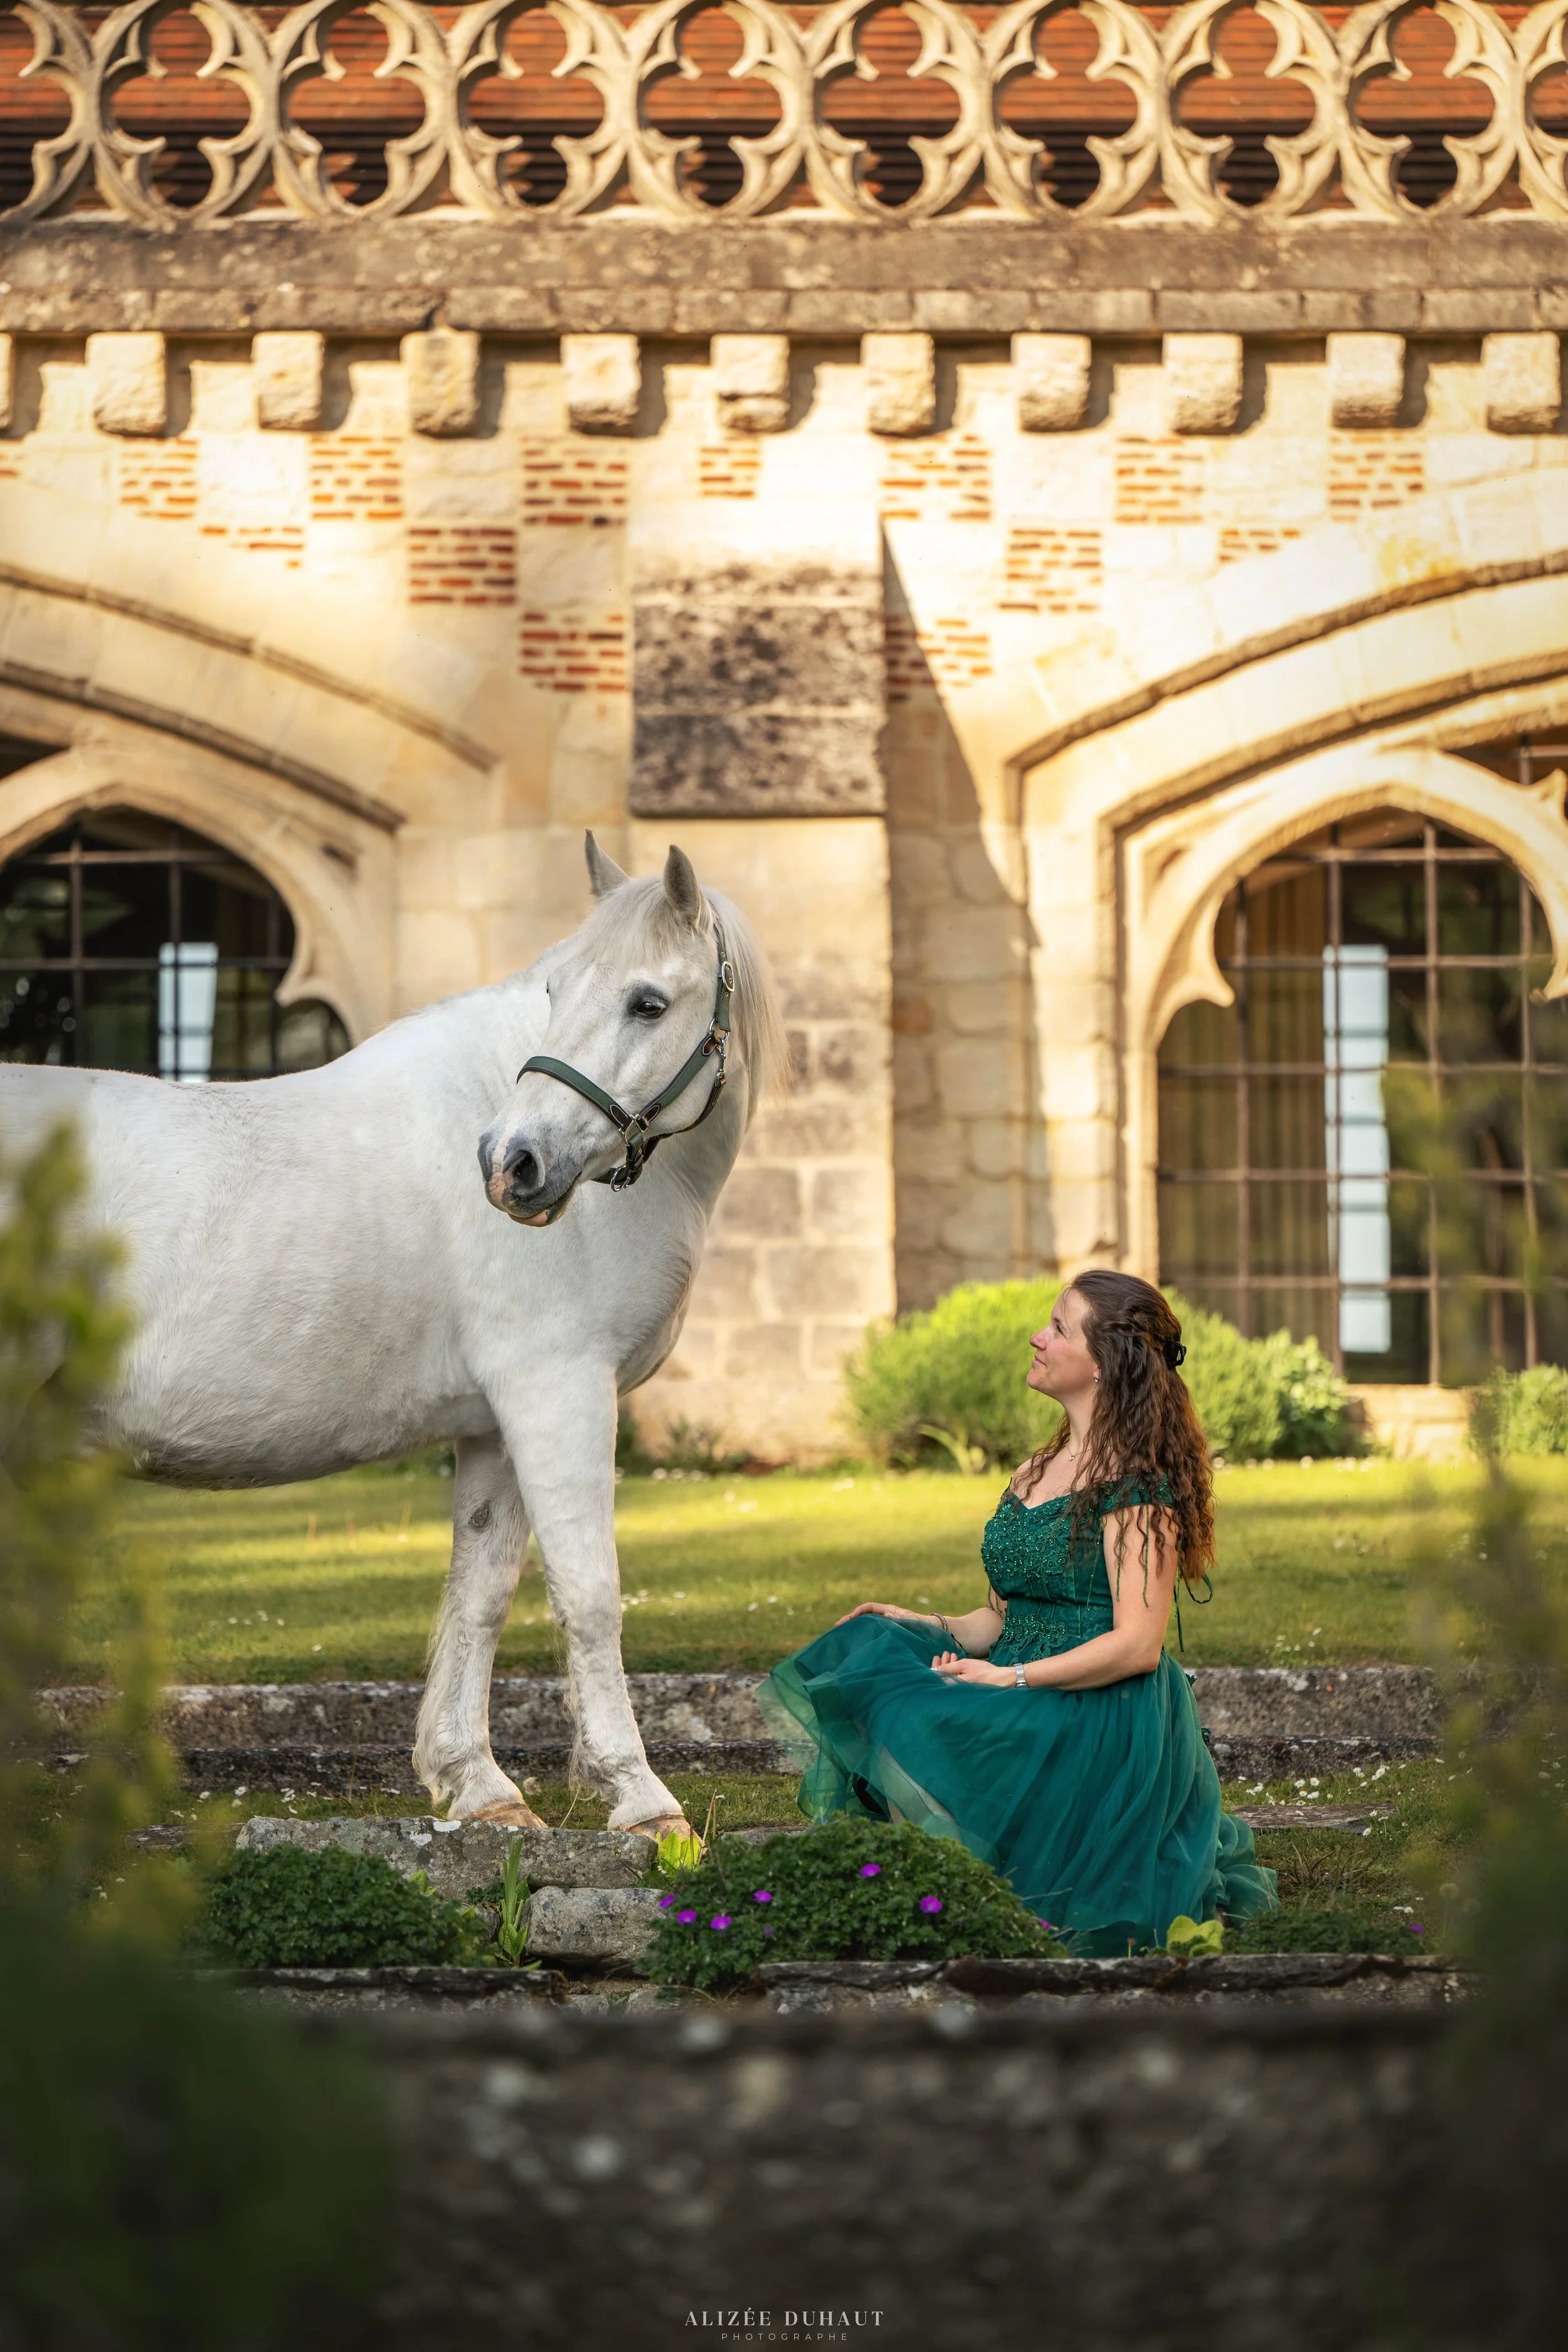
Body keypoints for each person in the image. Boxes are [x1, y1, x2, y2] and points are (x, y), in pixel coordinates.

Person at [755, 1270, 1278, 1954]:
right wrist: (921, 1622)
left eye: (1058, 1328)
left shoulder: (1136, 1487)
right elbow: (996, 1621)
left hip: (1098, 1705)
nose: (1037, 1336)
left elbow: (1137, 1647)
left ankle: (968, 1897)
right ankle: (931, 1893)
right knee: (867, 1646)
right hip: (1019, 1672)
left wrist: (1010, 1679)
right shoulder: (1037, 1469)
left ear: (1101, 1363)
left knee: (923, 1716)